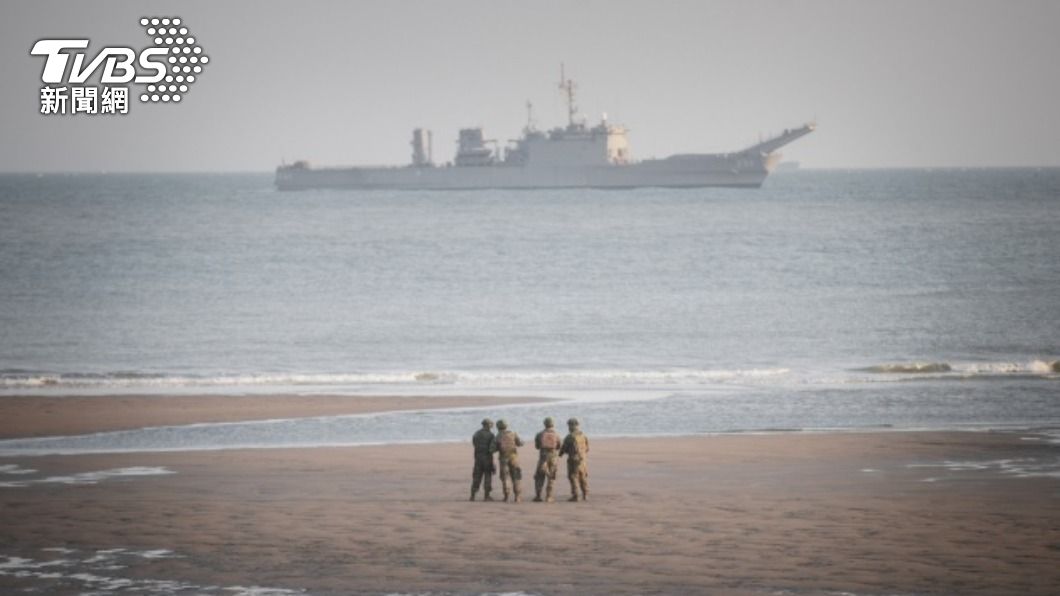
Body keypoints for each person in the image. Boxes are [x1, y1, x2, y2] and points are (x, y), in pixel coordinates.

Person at [491, 418, 524, 503]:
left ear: (498, 427)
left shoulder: (497, 436)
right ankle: (517, 497)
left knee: (505, 478)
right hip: (514, 458)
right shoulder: (513, 434)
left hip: (503, 460)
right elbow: (520, 443)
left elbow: (492, 449)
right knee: (516, 477)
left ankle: (506, 496)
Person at [533, 416, 563, 502]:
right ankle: (549, 496)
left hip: (543, 459)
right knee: (551, 477)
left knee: (539, 477)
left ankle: (538, 496)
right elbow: (559, 446)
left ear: (544, 424)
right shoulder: (556, 435)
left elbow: (537, 446)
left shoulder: (539, 434)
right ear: (552, 424)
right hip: (553, 459)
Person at [560, 417, 589, 502]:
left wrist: (560, 454)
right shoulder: (583, 436)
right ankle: (585, 494)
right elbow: (587, 448)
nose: (568, 427)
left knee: (573, 477)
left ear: (571, 426)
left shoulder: (569, 437)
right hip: (583, 460)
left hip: (573, 460)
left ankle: (575, 495)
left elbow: (563, 449)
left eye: (569, 425)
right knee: (582, 476)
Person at [470, 418, 495, 501]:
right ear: (487, 425)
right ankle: (486, 496)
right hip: (487, 458)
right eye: (491, 424)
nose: (492, 426)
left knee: (476, 476)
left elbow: (474, 443)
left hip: (478, 458)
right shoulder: (491, 435)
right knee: (487, 476)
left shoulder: (476, 433)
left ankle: (472, 495)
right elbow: (492, 448)